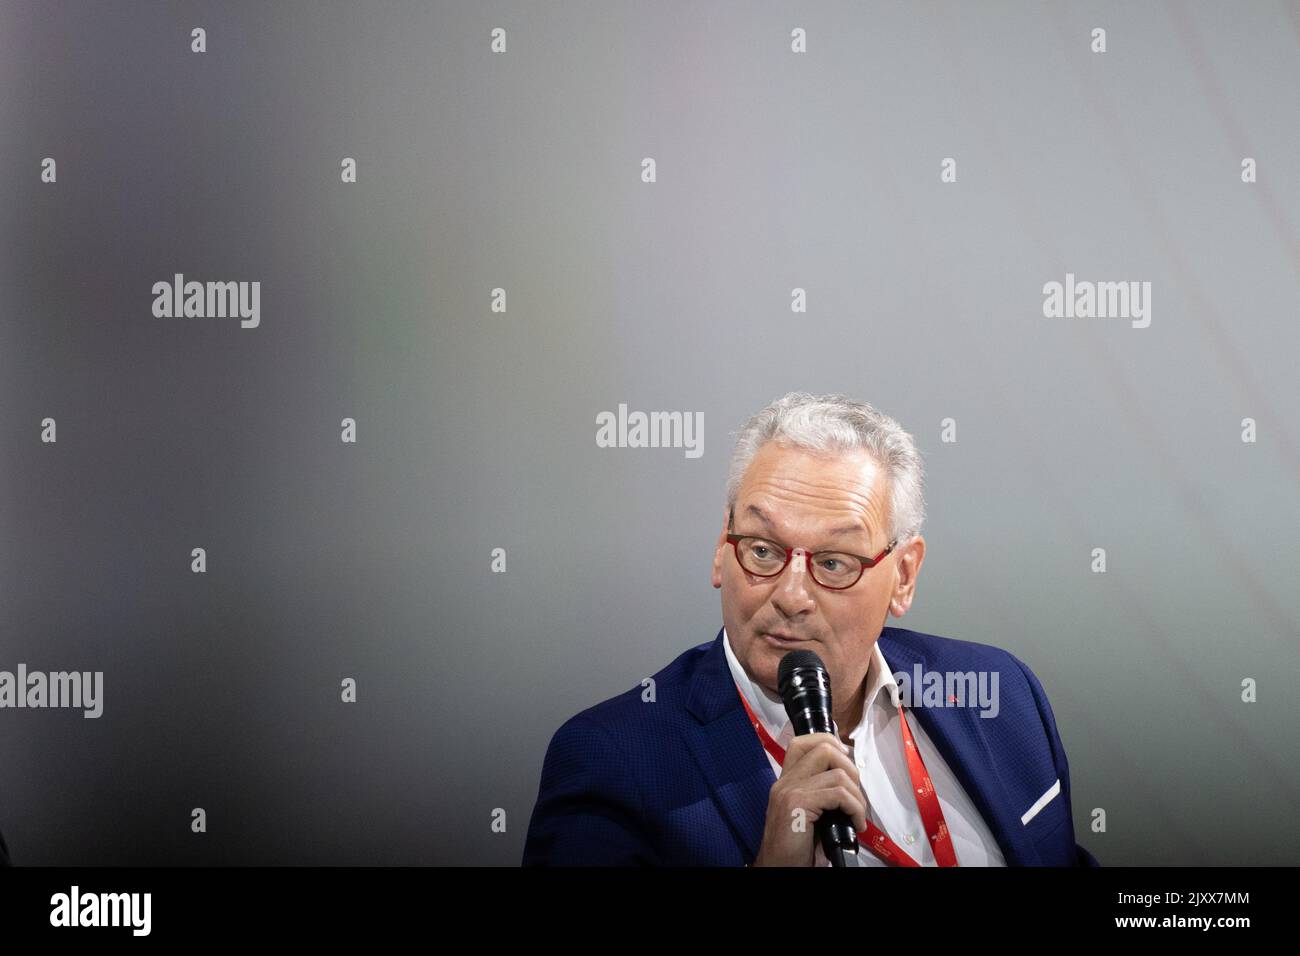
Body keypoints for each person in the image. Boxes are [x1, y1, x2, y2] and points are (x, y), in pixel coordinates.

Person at [523, 392, 1098, 866]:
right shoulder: (614, 760)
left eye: (833, 563)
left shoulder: (1001, 691)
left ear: (903, 575)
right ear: (721, 551)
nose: (791, 596)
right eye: (764, 549)